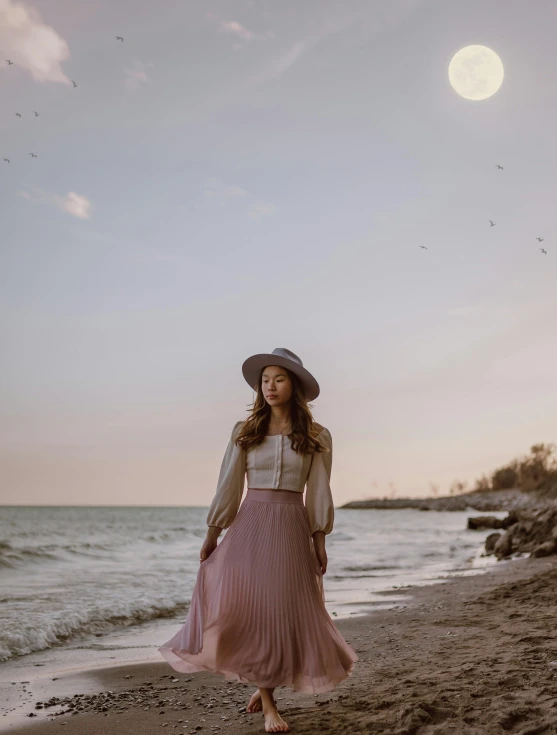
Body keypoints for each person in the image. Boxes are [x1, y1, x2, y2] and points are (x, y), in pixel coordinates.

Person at [158, 347, 358, 733]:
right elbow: (229, 485)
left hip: (290, 527)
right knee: (252, 611)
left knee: (284, 610)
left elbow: (319, 490)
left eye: (279, 379)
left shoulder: (318, 436)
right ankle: (268, 703)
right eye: (265, 380)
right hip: (249, 527)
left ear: (294, 386)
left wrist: (320, 540)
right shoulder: (244, 431)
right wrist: (212, 533)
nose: (270, 386)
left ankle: (263, 684)